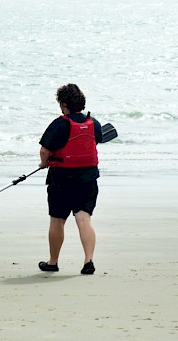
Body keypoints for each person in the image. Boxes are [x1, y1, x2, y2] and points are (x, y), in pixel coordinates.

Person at [37, 83, 103, 275]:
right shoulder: (93, 123)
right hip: (87, 178)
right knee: (83, 218)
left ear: (64, 104)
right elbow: (96, 140)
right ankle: (88, 261)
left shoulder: (60, 123)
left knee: (57, 220)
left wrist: (44, 163)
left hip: (61, 178)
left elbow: (44, 150)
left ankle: (53, 262)